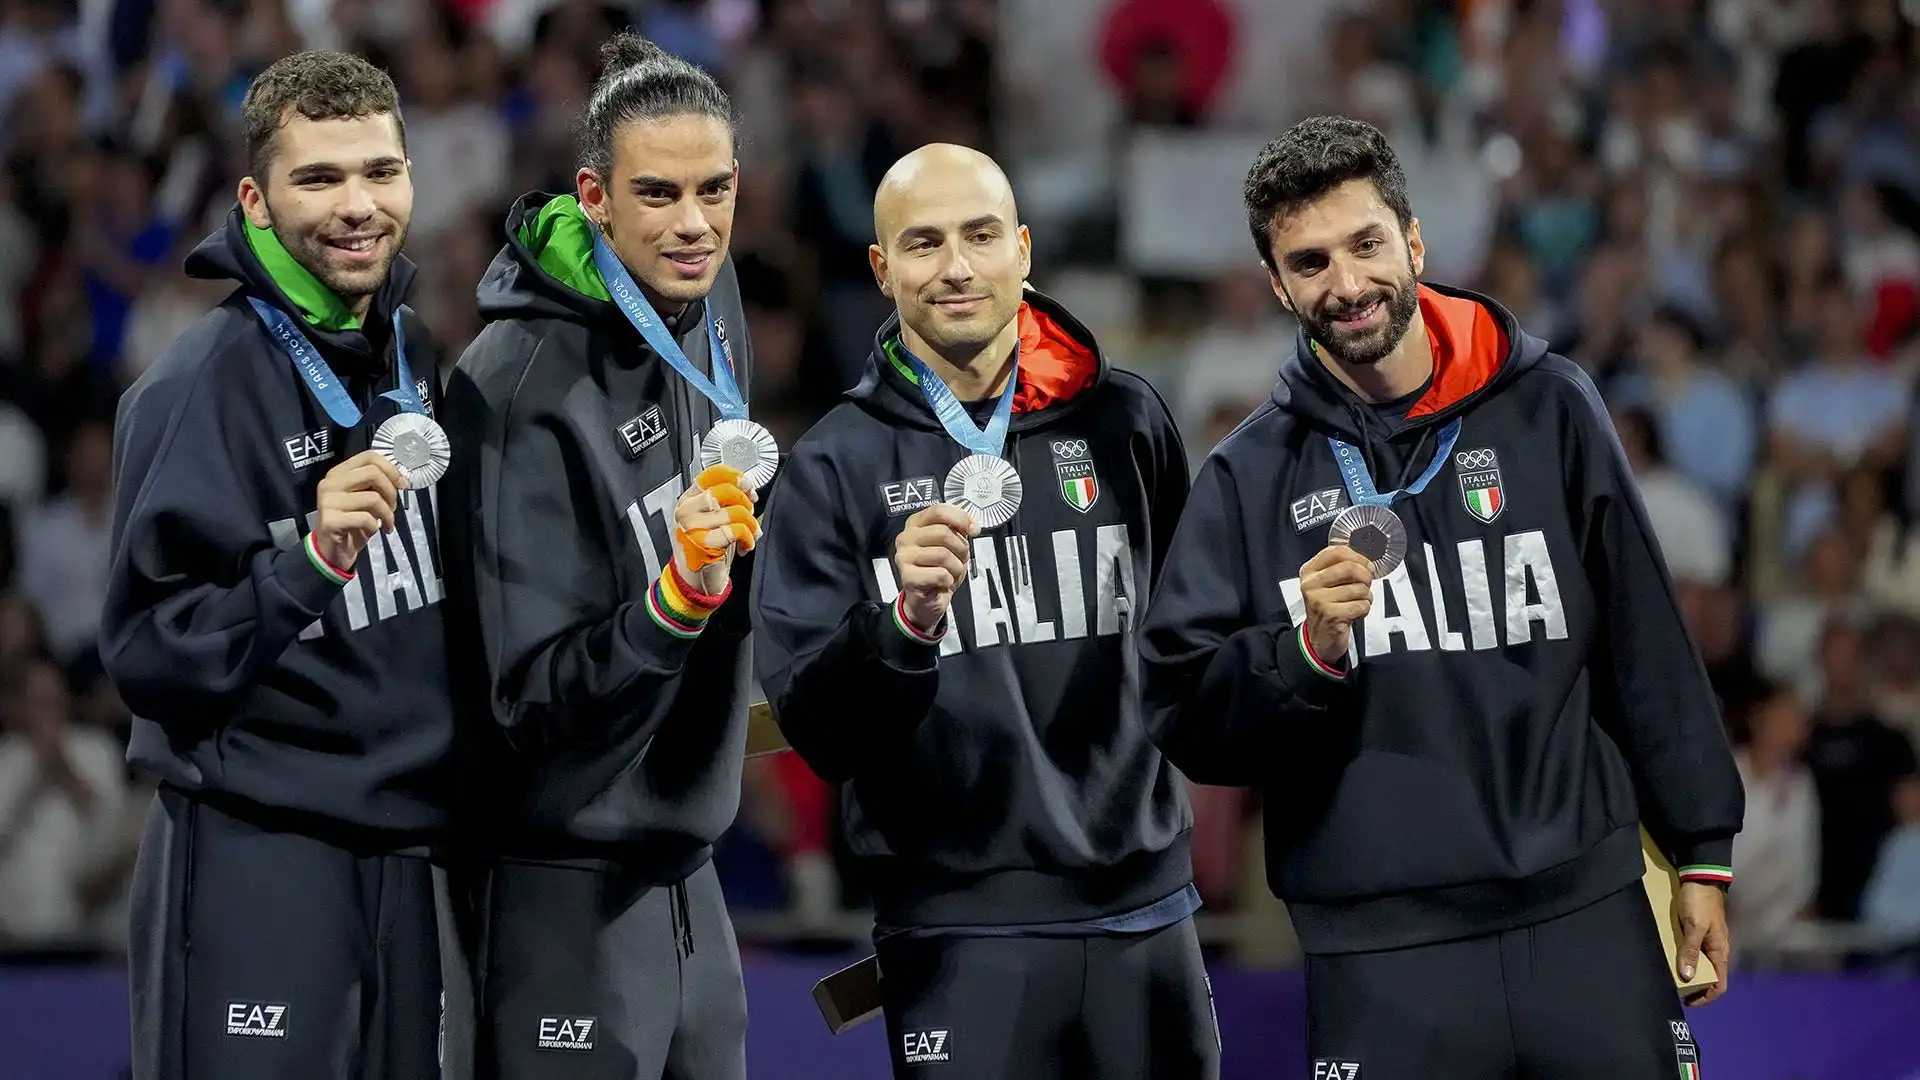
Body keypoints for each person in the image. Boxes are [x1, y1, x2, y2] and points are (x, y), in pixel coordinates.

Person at [1137, 116, 1746, 1080]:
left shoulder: (1551, 406)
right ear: (1277, 285)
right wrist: (1306, 652)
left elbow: (1644, 636)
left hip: (1583, 916)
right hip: (1381, 954)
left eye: (1366, 244)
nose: (1345, 284)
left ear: (1414, 242)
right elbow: (1181, 709)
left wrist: (1701, 847)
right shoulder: (1250, 477)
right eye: (1309, 262)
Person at [752, 143, 1217, 1080]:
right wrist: (902, 625)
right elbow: (815, 725)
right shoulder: (835, 464)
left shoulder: (1127, 420)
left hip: (1148, 914)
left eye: (980, 236)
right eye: (923, 244)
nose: (956, 267)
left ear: (1025, 249)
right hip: (955, 930)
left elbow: (1189, 646)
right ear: (882, 269)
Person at [99, 51, 454, 1080]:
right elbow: (145, 653)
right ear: (254, 198)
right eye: (320, 179)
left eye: (381, 173)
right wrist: (304, 564)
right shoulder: (198, 385)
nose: (359, 206)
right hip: (260, 850)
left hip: (406, 853)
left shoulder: (409, 356)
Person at [439, 33, 759, 1080]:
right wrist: (672, 605)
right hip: (557, 890)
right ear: (595, 196)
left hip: (689, 876)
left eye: (715, 190)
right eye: (658, 193)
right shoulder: (513, 386)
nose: (694, 224)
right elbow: (521, 697)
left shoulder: (714, 304)